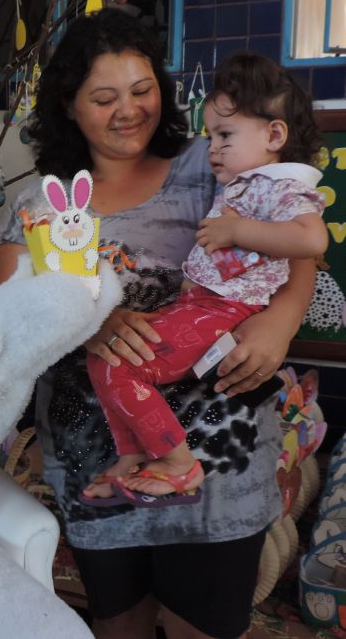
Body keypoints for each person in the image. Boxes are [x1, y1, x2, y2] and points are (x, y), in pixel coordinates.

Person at [0, 9, 318, 639]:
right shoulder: (45, 206)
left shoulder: (213, 164)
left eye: (142, 91)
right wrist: (87, 321)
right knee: (121, 624)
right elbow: (7, 306)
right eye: (104, 98)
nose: (129, 111)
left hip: (220, 462)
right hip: (99, 463)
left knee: (202, 626)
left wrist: (280, 323)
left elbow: (297, 244)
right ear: (69, 107)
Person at [83, 51, 327, 507]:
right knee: (105, 361)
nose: (213, 147)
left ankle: (178, 464)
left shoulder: (279, 185)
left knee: (121, 367)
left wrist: (237, 233)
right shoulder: (243, 179)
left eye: (225, 135)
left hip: (223, 309)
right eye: (210, 135)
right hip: (201, 305)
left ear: (275, 135)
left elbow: (312, 239)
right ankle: (133, 454)